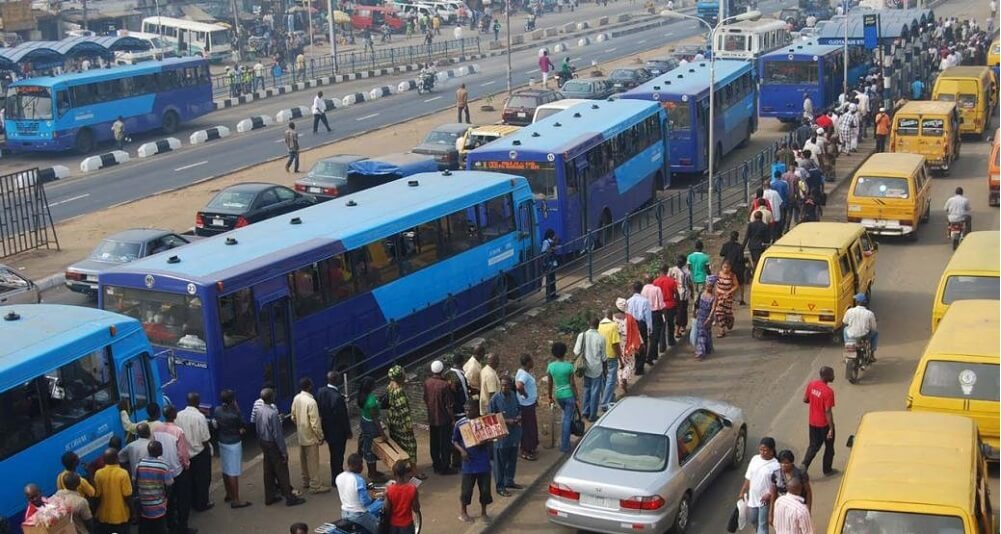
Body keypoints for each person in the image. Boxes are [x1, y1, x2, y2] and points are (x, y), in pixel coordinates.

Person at [253, 388, 306, 506]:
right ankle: (289, 498)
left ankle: (269, 497)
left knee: (268, 470)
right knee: (282, 471)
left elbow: (257, 427)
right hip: (273, 444)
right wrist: (283, 452)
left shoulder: (259, 410)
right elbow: (278, 435)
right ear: (271, 398)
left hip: (264, 442)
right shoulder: (272, 413)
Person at [453, 401, 493, 523]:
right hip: (469, 463)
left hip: (483, 462)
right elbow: (454, 440)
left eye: (470, 410)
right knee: (466, 490)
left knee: (485, 490)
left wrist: (485, 441)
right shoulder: (460, 423)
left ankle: (484, 512)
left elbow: (491, 438)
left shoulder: (484, 422)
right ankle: (463, 512)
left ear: (476, 409)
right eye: (466, 410)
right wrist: (462, 451)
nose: (468, 412)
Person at [213, 389, 251, 508]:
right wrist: (237, 408)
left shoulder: (217, 410)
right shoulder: (235, 414)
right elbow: (243, 424)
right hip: (233, 443)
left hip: (222, 441)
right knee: (233, 472)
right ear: (233, 400)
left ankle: (228, 494)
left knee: (225, 469)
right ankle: (236, 500)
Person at [291, 377, 329, 494]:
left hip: (301, 435)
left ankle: (306, 481)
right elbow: (315, 423)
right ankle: (315, 485)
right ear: (309, 387)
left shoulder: (296, 398)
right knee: (313, 462)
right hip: (311, 437)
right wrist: (320, 436)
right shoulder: (311, 402)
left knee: (303, 460)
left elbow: (293, 416)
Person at [386, 365, 425, 480]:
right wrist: (408, 426)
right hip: (402, 423)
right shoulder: (399, 391)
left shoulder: (390, 387)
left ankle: (400, 469)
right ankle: (414, 471)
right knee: (411, 446)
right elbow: (404, 410)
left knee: (398, 445)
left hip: (393, 421)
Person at [176, 392, 213, 512]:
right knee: (202, 480)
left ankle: (192, 501)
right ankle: (202, 503)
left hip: (185, 454)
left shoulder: (178, 415)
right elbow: (205, 438)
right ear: (198, 402)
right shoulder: (200, 417)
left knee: (190, 479)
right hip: (199, 453)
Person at [489, 376, 522, 496]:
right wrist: (507, 421)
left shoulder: (513, 395)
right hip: (501, 436)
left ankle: (509, 481)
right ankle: (500, 486)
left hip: (514, 433)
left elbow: (519, 409)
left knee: (512, 459)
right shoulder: (495, 399)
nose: (504, 387)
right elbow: (491, 418)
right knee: (500, 462)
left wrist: (519, 416)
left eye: (507, 385)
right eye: (502, 385)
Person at [738, 437, 780, 534]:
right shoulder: (755, 459)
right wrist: (742, 491)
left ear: (772, 451)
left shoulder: (776, 465)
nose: (762, 452)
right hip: (753, 498)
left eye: (765, 450)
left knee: (762, 524)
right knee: (753, 520)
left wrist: (769, 495)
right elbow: (748, 477)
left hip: (764, 500)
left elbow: (777, 485)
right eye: (761, 449)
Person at [317, 370, 352, 484]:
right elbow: (342, 418)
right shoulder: (337, 397)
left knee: (333, 454)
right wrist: (348, 431)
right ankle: (337, 478)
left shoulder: (321, 391)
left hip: (327, 429)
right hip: (338, 432)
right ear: (336, 380)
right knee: (338, 455)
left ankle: (335, 476)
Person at [335, 453, 385, 533]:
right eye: (361, 464)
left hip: (344, 513)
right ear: (357, 466)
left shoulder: (339, 477)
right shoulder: (359, 480)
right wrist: (374, 498)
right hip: (358, 515)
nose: (362, 467)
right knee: (381, 530)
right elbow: (365, 502)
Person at [801, 367, 836, 476]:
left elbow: (805, 399)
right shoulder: (828, 392)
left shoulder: (812, 384)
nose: (834, 376)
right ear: (826, 376)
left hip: (812, 422)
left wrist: (815, 402)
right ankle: (827, 470)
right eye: (832, 374)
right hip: (824, 424)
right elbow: (828, 412)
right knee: (829, 448)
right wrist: (831, 428)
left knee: (813, 446)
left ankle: (804, 465)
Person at [424, 360, 455, 474]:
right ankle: (445, 467)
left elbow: (426, 399)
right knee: (445, 444)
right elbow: (449, 405)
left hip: (432, 418)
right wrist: (453, 419)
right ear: (442, 371)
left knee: (434, 442)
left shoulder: (427, 383)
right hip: (443, 419)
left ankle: (436, 464)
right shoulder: (444, 385)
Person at [357, 376, 389, 483]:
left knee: (368, 447)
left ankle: (372, 471)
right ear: (370, 386)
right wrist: (382, 434)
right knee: (371, 449)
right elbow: (375, 419)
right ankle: (373, 474)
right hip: (371, 425)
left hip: (364, 422)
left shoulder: (362, 396)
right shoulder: (371, 401)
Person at [573, 316, 605, 422]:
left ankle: (585, 411)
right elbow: (604, 357)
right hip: (596, 368)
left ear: (589, 324)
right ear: (598, 325)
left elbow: (576, 351)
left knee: (587, 389)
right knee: (595, 392)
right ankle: (592, 415)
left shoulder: (582, 335)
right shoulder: (601, 338)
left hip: (585, 367)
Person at [547, 341, 578, 453]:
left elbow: (550, 383)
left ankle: (565, 440)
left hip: (558, 395)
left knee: (565, 416)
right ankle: (565, 446)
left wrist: (550, 396)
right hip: (569, 394)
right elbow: (573, 384)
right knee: (567, 420)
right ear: (565, 352)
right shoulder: (569, 366)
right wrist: (577, 397)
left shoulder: (550, 367)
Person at [136, 441, 173, 534]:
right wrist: (166, 500)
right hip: (158, 505)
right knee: (160, 529)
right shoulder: (163, 466)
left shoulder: (139, 464)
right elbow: (169, 484)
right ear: (160, 451)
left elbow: (135, 481)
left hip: (143, 504)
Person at [94, 448, 133, 534]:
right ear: (117, 459)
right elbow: (127, 495)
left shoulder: (98, 474)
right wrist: (132, 511)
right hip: (121, 516)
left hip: (104, 516)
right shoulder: (123, 473)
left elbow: (97, 495)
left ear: (104, 460)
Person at [769, 450, 813, 523]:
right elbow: (773, 494)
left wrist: (808, 510)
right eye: (781, 463)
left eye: (786, 463)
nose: (783, 465)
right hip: (783, 508)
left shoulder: (800, 474)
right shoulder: (776, 474)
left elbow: (808, 492)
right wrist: (771, 514)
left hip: (798, 508)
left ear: (792, 462)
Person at [384, 460, 421, 534]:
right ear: (406, 473)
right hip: (407, 525)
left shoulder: (389, 490)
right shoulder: (412, 489)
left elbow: (386, 510)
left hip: (393, 525)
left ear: (394, 474)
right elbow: (416, 508)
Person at [613, 298, 641, 393]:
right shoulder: (629, 317)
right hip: (628, 342)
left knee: (619, 363)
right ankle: (625, 377)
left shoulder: (613, 318)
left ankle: (621, 380)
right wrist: (639, 343)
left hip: (616, 343)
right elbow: (636, 331)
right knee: (630, 362)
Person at [514, 354, 539, 461]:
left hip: (529, 404)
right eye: (532, 361)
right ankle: (525, 450)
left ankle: (530, 447)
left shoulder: (522, 372)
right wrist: (525, 395)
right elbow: (519, 386)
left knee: (530, 427)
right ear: (528, 362)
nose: (533, 363)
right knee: (528, 428)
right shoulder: (524, 374)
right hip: (526, 406)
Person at [596, 309, 622, 412]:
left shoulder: (599, 326)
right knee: (611, 379)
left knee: (604, 378)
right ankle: (605, 402)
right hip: (611, 355)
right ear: (611, 316)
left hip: (601, 356)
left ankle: (609, 398)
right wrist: (620, 357)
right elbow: (615, 343)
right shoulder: (613, 326)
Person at [625, 281, 652, 375]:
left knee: (633, 344)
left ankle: (635, 365)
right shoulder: (645, 301)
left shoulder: (628, 301)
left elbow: (626, 315)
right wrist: (650, 329)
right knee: (642, 344)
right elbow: (648, 316)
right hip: (641, 324)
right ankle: (640, 367)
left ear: (633, 289)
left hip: (632, 324)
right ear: (641, 289)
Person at [653, 264, 679, 352]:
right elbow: (676, 293)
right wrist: (677, 303)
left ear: (659, 271)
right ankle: (671, 340)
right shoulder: (671, 281)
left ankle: (662, 345)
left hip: (660, 306)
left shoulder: (655, 282)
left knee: (662, 326)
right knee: (671, 324)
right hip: (670, 305)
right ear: (667, 270)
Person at [843, 293, 878, 357]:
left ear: (857, 302)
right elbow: (874, 327)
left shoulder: (849, 311)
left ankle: (847, 344)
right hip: (864, 336)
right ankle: (872, 353)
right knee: (875, 333)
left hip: (851, 335)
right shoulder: (869, 313)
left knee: (845, 329)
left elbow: (844, 321)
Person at [641, 274, 665, 364]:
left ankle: (652, 354)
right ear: (653, 280)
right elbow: (661, 304)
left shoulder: (643, 290)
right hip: (656, 313)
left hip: (646, 314)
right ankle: (651, 356)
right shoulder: (657, 289)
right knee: (655, 336)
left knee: (647, 336)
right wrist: (663, 314)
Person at [667, 255, 692, 340]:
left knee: (682, 311)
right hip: (677, 293)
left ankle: (682, 327)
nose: (679, 263)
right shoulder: (673, 270)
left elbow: (689, 283)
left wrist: (691, 292)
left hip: (682, 294)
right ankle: (679, 328)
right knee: (680, 311)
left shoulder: (686, 272)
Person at [693, 275, 717, 360]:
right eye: (707, 285)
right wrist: (695, 312)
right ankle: (707, 348)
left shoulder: (714, 297)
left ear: (712, 286)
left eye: (710, 286)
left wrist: (709, 318)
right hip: (700, 315)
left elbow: (713, 308)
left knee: (703, 333)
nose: (708, 287)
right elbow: (697, 304)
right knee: (702, 333)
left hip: (707, 317)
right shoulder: (702, 293)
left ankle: (700, 352)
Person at [719, 232, 746, 306]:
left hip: (727, 267)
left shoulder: (725, 245)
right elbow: (740, 259)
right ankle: (742, 299)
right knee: (741, 283)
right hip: (737, 267)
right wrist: (745, 260)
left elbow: (721, 254)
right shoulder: (740, 247)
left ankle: (726, 298)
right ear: (737, 238)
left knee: (727, 282)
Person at [714, 261, 739, 337]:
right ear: (722, 267)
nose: (725, 269)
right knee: (719, 312)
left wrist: (729, 292)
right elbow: (715, 285)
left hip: (728, 297)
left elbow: (736, 285)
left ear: (730, 268)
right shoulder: (718, 274)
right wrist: (719, 292)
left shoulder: (732, 275)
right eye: (724, 267)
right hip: (720, 297)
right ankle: (722, 330)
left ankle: (730, 319)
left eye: (727, 267)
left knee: (727, 313)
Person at [478, 353, 501, 418]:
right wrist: (497, 410)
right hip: (490, 409)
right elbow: (492, 395)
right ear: (494, 361)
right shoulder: (490, 375)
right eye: (497, 360)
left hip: (485, 406)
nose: (498, 362)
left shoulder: (484, 370)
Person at [540, 229, 559, 301]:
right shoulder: (546, 242)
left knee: (553, 279)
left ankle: (553, 294)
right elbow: (543, 252)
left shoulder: (551, 241)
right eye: (553, 235)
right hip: (548, 263)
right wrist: (551, 249)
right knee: (549, 280)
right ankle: (549, 296)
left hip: (552, 262)